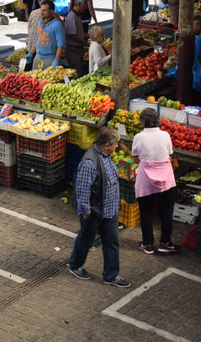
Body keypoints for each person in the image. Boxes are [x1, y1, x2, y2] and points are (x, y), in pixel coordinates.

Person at [69, 126, 130, 288]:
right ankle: (75, 265)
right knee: (85, 239)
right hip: (94, 211)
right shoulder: (90, 162)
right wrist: (86, 212)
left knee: (112, 242)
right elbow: (82, 189)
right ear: (107, 145)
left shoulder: (105, 156)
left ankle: (111, 276)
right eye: (116, 144)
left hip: (109, 211)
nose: (117, 146)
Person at [131, 108, 180, 255]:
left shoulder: (138, 137)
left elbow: (135, 159)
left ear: (142, 122)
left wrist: (147, 161)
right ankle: (165, 242)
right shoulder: (165, 135)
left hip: (145, 178)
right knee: (166, 211)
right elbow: (170, 154)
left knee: (146, 212)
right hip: (166, 178)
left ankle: (147, 244)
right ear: (158, 120)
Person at [25, 0, 65, 69]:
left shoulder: (57, 25)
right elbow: (37, 39)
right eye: (41, 10)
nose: (41, 13)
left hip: (50, 60)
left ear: (51, 11)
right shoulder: (40, 23)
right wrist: (31, 53)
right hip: (38, 58)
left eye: (44, 10)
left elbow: (60, 45)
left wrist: (56, 61)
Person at [65, 0, 89, 77]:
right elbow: (72, 35)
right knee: (76, 72)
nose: (86, 7)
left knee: (79, 70)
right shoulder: (72, 16)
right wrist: (84, 42)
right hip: (73, 50)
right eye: (85, 5)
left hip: (77, 49)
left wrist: (85, 35)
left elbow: (77, 32)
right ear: (79, 4)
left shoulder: (77, 15)